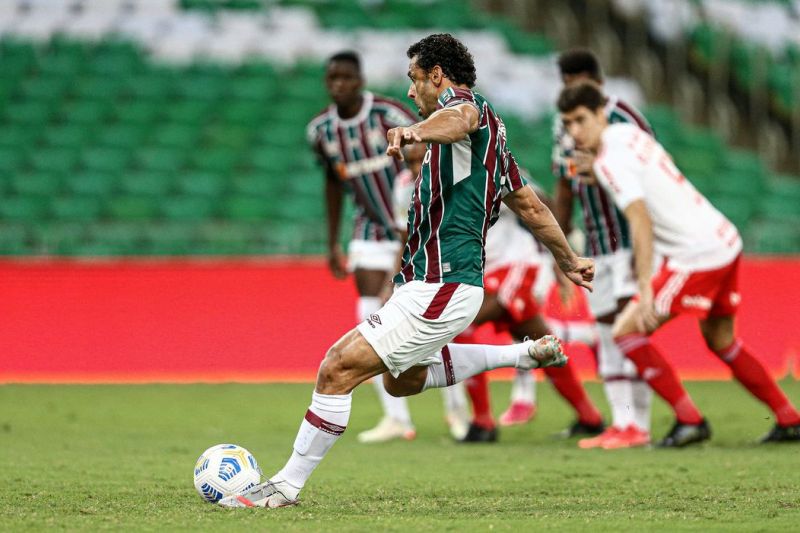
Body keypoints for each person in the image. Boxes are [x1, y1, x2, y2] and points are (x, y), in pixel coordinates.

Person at [219, 33, 594, 509]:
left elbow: (459, 117)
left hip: (445, 282)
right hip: (432, 284)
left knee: (337, 367)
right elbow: (530, 206)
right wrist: (569, 259)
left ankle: (284, 487)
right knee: (402, 380)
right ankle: (519, 356)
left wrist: (415, 132)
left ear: (437, 76)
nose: (411, 93)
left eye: (415, 81)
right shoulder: (494, 142)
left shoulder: (465, 109)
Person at [557, 80, 800, 447]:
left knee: (626, 331)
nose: (574, 132)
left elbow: (639, 221)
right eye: (568, 124)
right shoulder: (626, 134)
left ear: (599, 115)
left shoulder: (609, 158)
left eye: (580, 120)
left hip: (697, 254)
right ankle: (789, 418)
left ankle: (690, 420)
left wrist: (644, 290)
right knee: (721, 340)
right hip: (724, 238)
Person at [306, 51, 468, 443]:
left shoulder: (389, 114)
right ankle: (397, 418)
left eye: (346, 77)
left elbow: (432, 143)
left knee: (427, 321)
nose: (338, 85)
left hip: (413, 226)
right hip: (369, 227)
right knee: (368, 314)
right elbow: (332, 182)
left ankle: (457, 411)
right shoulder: (321, 131)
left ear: (360, 80)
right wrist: (332, 243)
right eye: (332, 78)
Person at [532, 49, 654, 449]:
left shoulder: (625, 118)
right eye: (566, 85)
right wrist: (561, 249)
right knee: (605, 333)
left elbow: (653, 176)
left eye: (579, 84)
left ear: (597, 84)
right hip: (598, 244)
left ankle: (642, 423)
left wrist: (647, 248)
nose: (572, 93)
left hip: (631, 240)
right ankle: (623, 423)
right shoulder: (563, 126)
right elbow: (565, 186)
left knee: (627, 331)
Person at [454, 198, 604, 443]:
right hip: (478, 273)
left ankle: (483, 422)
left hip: (515, 264)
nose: (417, 166)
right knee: (540, 343)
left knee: (461, 324)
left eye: (420, 159)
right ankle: (590, 418)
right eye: (411, 162)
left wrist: (563, 256)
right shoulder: (415, 186)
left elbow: (538, 204)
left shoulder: (488, 167)